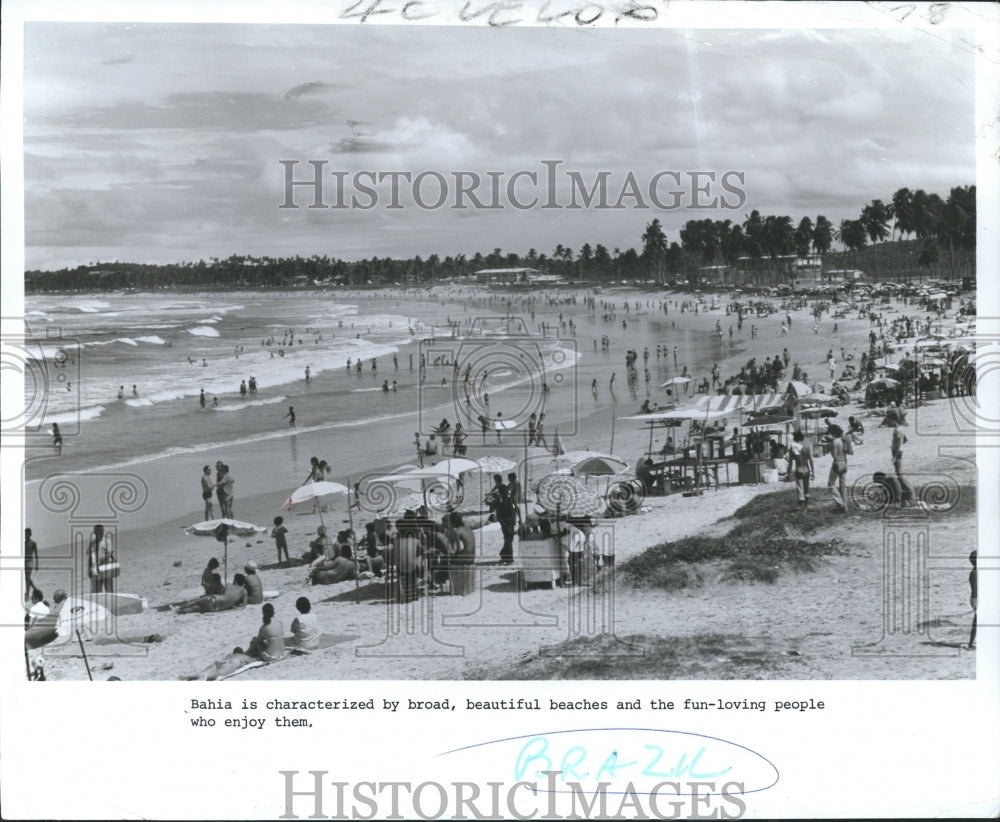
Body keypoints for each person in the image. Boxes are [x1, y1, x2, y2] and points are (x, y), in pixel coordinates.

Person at [174, 573, 248, 614]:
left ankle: (179, 608)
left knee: (196, 602)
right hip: (217, 609)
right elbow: (244, 606)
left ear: (236, 580)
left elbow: (220, 593)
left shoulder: (229, 585)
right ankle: (179, 612)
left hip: (214, 600)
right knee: (195, 609)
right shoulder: (244, 591)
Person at [786, 430, 815, 511]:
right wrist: (813, 473)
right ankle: (806, 507)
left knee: (800, 489)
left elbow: (790, 462)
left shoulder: (792, 447)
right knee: (806, 489)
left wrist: (788, 473)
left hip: (799, 469)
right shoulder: (806, 447)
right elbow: (811, 460)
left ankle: (803, 510)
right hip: (806, 469)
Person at [87, 524, 117, 594]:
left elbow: (110, 554)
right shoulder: (92, 543)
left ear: (103, 531)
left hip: (106, 569)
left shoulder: (107, 541)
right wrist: (89, 570)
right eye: (96, 531)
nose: (99, 532)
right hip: (95, 571)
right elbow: (90, 557)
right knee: (96, 593)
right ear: (94, 532)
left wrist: (101, 560)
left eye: (100, 531)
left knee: (109, 591)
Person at [826, 425, 849, 511]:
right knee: (843, 485)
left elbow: (834, 455)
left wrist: (830, 449)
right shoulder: (843, 440)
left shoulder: (835, 441)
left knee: (831, 485)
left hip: (837, 463)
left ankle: (841, 503)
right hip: (844, 462)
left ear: (833, 433)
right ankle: (845, 507)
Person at [494, 485, 518, 565]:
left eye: (506, 491)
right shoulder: (499, 501)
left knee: (509, 539)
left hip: (511, 522)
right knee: (508, 539)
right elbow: (499, 515)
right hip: (505, 523)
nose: (506, 492)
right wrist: (504, 525)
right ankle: (509, 559)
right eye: (504, 491)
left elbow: (516, 508)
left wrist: (520, 518)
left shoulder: (510, 498)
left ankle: (503, 554)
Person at [24, 528, 39, 600]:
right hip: (24, 562)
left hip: (30, 562)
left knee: (27, 578)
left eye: (26, 534)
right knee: (26, 578)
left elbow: (36, 555)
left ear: (30, 534)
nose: (25, 535)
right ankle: (35, 589)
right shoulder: (23, 543)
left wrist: (37, 565)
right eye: (24, 534)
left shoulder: (33, 543)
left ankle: (27, 594)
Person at [968, 550, 977, 651]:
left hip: (977, 598)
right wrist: (976, 604)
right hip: (976, 599)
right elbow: (975, 590)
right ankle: (970, 644)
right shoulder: (974, 573)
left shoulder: (976, 572)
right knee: (976, 621)